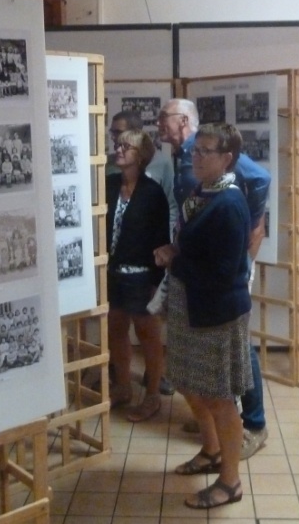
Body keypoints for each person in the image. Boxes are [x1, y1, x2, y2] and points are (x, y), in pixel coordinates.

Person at [157, 98, 270, 460]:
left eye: (166, 118)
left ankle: (252, 422)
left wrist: (251, 233)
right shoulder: (185, 157)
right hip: (198, 268)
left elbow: (261, 179)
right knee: (207, 364)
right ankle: (214, 424)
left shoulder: (224, 187)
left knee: (233, 351)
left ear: (183, 121)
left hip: (219, 276)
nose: (160, 124)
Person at [154, 123, 251, 509]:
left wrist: (175, 259)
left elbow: (224, 273)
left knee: (219, 398)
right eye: (194, 150)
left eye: (204, 152)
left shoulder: (228, 204)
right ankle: (210, 451)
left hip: (216, 314)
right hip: (191, 306)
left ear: (226, 159)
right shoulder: (204, 192)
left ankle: (230, 482)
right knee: (188, 382)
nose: (195, 157)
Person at [107, 110, 178, 397]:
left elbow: (160, 238)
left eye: (126, 146)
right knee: (116, 332)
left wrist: (155, 280)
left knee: (148, 337)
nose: (118, 150)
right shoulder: (110, 185)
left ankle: (151, 396)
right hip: (114, 273)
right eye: (118, 144)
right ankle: (123, 387)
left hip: (141, 275)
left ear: (141, 155)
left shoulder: (152, 193)